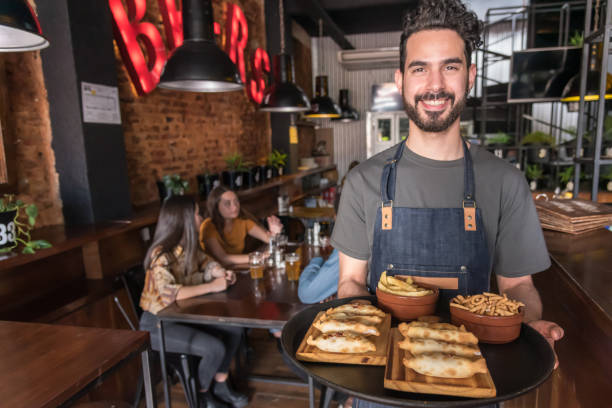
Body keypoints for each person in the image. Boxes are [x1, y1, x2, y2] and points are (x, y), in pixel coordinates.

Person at [331, 1, 564, 406]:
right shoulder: (363, 181)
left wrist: (526, 328)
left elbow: (519, 287)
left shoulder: (505, 182)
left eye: (450, 67)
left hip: (470, 383)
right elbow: (350, 283)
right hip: (380, 391)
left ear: (470, 76)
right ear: (401, 79)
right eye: (420, 68)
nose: (434, 84)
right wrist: (348, 336)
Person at [139, 195, 248, 408]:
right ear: (185, 219)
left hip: (183, 315)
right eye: (198, 214)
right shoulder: (160, 254)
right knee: (214, 348)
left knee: (234, 326)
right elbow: (170, 294)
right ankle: (202, 394)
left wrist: (220, 272)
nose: (201, 217)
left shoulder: (187, 247)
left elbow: (207, 263)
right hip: (156, 325)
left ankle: (220, 383)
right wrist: (213, 286)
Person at [200, 186, 283, 267]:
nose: (235, 207)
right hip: (214, 275)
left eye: (236, 201)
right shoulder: (208, 226)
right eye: (227, 203)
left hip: (236, 270)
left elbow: (269, 239)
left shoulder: (242, 222)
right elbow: (224, 259)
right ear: (216, 207)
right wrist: (259, 256)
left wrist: (275, 233)